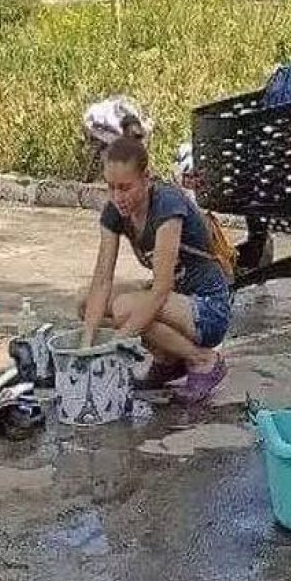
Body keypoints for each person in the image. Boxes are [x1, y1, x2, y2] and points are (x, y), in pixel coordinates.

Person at [79, 136, 231, 404]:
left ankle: (203, 360)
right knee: (86, 303)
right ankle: (168, 361)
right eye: (111, 187)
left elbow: (161, 289)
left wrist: (114, 344)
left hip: (206, 309)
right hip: (176, 303)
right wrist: (86, 346)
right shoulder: (115, 212)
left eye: (125, 188)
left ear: (146, 178)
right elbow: (102, 280)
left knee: (127, 309)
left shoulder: (167, 205)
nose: (118, 197)